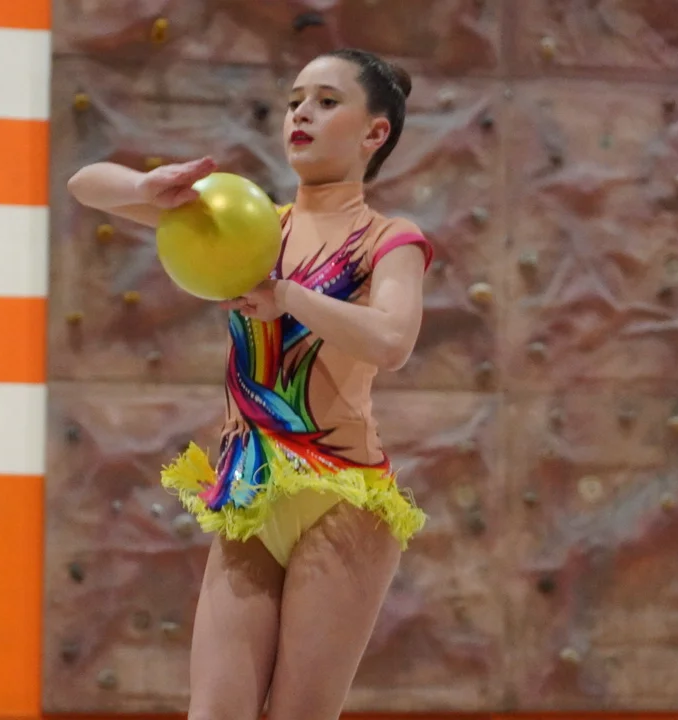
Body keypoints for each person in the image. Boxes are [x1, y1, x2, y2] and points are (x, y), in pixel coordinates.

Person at [67, 47, 432, 720]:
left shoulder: (389, 238)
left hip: (342, 496)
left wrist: (287, 296)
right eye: (295, 101)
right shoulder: (252, 225)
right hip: (251, 491)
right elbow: (86, 185)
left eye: (326, 101)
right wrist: (148, 188)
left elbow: (392, 341)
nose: (301, 113)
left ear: (375, 132)